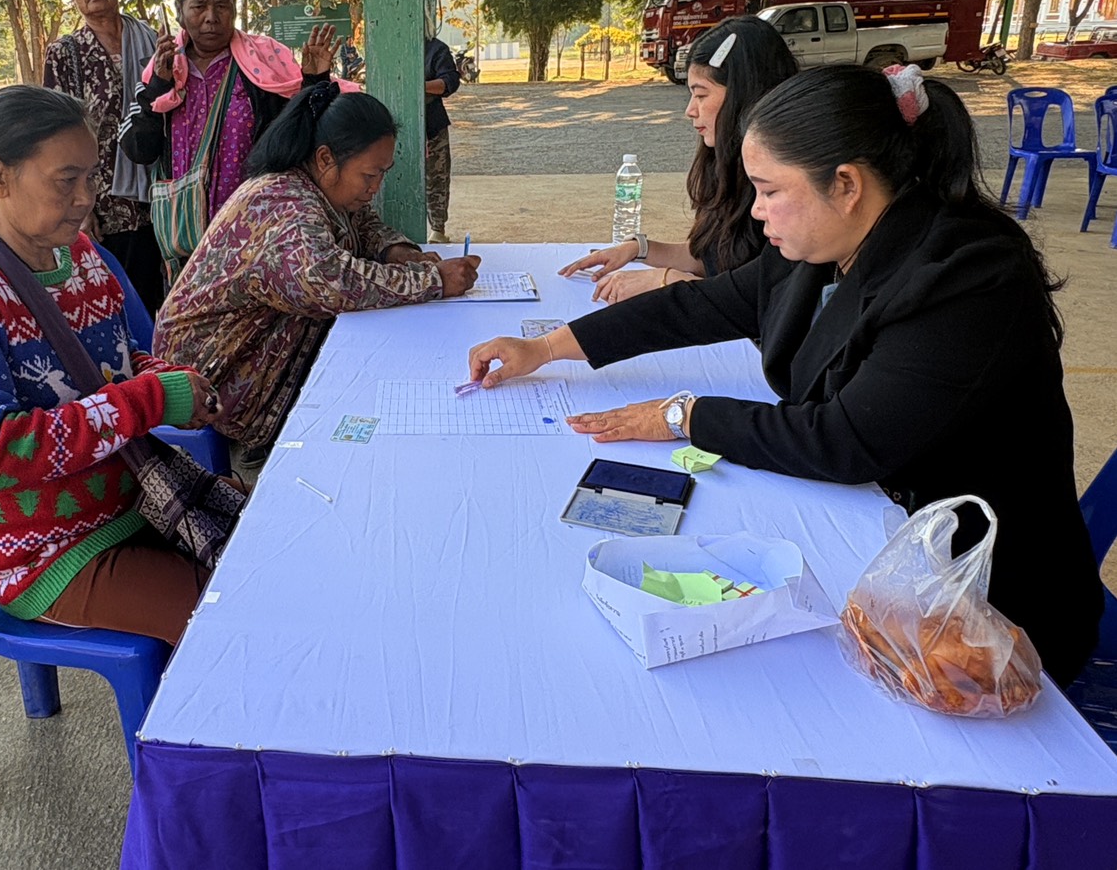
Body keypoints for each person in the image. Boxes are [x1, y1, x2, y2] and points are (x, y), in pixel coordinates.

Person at [472, 63, 1101, 685]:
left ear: (846, 185)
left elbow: (844, 441)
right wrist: (547, 348)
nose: (756, 211)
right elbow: (699, 304)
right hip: (883, 545)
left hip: (982, 609)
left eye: (770, 191)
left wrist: (684, 416)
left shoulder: (967, 277)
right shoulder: (831, 243)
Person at [0, 86, 223, 641]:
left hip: (137, 497)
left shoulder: (80, 255)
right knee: (228, 624)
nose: (85, 199)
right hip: (42, 551)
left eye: (91, 178)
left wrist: (166, 379)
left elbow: (118, 363)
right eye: (66, 180)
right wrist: (152, 400)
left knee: (266, 561)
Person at [155, 83, 481, 480]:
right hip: (211, 379)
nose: (375, 187)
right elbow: (330, 284)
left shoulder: (315, 187)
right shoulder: (282, 204)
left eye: (383, 174)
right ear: (326, 158)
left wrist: (395, 251)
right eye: (370, 174)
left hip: (247, 358)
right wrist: (431, 279)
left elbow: (360, 223)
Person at [121, 0, 350, 260]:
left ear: (234, 8)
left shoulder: (261, 65)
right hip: (185, 237)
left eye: (222, 6)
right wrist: (159, 86)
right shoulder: (162, 70)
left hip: (254, 229)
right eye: (199, 6)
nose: (211, 17)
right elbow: (138, 149)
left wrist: (313, 80)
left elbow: (298, 135)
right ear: (179, 12)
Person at [559, 17, 797, 303]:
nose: (690, 110)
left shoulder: (786, 186)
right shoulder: (728, 167)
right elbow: (711, 259)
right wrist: (638, 249)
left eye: (701, 95)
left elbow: (756, 300)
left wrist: (667, 280)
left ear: (742, 96)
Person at [42, 0, 163, 319]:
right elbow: (58, 138)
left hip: (163, 200)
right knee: (123, 307)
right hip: (107, 208)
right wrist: (78, 206)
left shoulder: (154, 42)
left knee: (167, 302)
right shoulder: (65, 55)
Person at [423, 28, 462, 243]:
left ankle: (437, 228)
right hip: (393, 122)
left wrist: (418, 86)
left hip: (432, 124)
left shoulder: (436, 49)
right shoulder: (388, 45)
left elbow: (450, 81)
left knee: (436, 177)